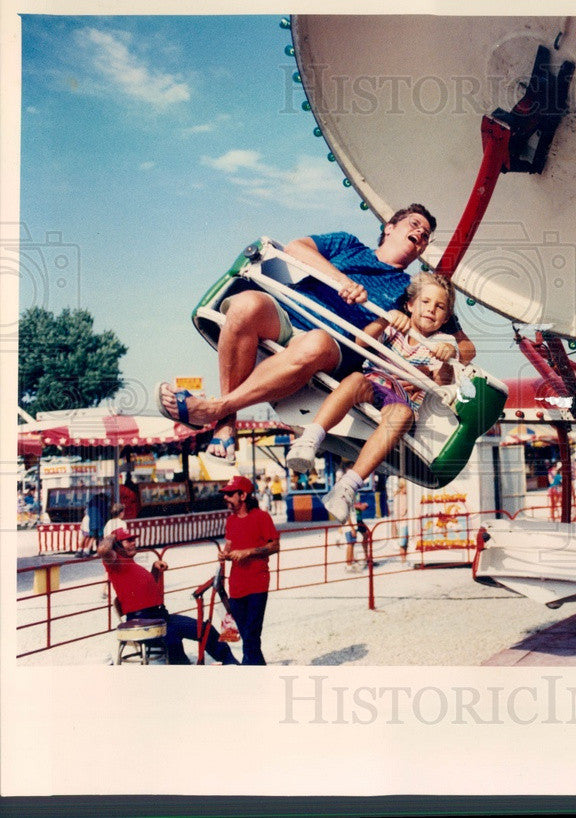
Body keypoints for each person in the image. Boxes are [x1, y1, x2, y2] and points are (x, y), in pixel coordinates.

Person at [158, 205, 474, 462]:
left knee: (316, 342)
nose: (419, 234)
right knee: (244, 305)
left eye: (425, 236)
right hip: (291, 315)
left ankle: (217, 410)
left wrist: (452, 351)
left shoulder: (410, 288)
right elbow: (297, 248)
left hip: (333, 346)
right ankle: (226, 423)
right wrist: (341, 281)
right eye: (414, 224)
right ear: (390, 227)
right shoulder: (348, 243)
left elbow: (461, 341)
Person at [284, 272, 459, 522]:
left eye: (439, 306)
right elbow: (361, 341)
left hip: (401, 399)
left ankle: (347, 486)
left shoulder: (443, 341)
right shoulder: (396, 325)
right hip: (373, 381)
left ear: (445, 318)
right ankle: (310, 438)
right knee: (354, 381)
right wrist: (384, 320)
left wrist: (447, 358)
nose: (431, 309)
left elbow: (442, 383)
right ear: (410, 305)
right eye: (425, 302)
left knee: (403, 415)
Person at [98, 527, 238, 665]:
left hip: (160, 616)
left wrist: (154, 569)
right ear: (117, 545)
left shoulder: (130, 563)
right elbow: (103, 550)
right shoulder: (114, 563)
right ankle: (182, 671)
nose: (133, 543)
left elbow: (144, 591)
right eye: (128, 540)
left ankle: (231, 663)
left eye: (133, 539)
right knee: (172, 639)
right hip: (144, 621)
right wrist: (112, 536)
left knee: (204, 629)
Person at [218, 475, 280, 665]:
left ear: (243, 495)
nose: (225, 498)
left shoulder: (261, 517)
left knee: (252, 633)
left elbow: (275, 546)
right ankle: (258, 670)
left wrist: (248, 552)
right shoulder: (231, 520)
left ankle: (249, 673)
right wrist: (224, 554)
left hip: (257, 583)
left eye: (229, 494)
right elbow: (229, 543)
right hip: (236, 584)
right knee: (246, 634)